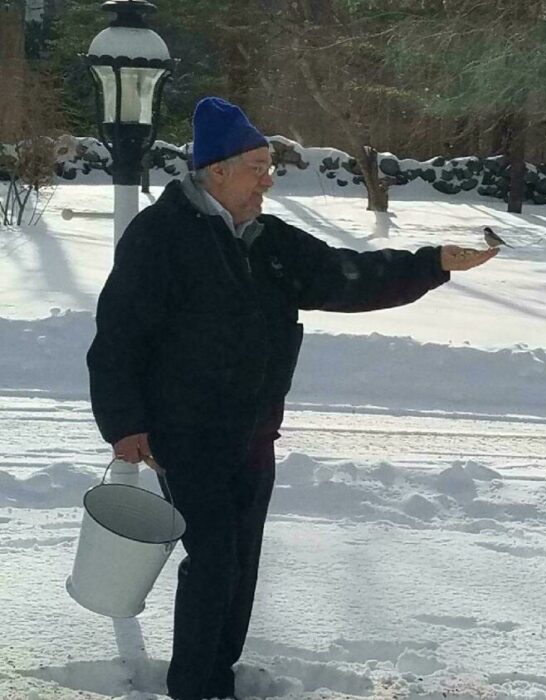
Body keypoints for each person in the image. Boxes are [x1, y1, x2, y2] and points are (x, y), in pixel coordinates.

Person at [87, 96, 497, 700]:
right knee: (215, 561)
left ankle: (215, 677)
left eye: (269, 166)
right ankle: (195, 687)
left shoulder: (266, 238)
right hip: (187, 432)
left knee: (241, 565)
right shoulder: (162, 236)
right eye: (257, 166)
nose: (268, 179)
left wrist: (431, 263)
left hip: (253, 432)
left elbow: (341, 276)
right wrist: (125, 425)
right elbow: (119, 335)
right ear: (217, 170)